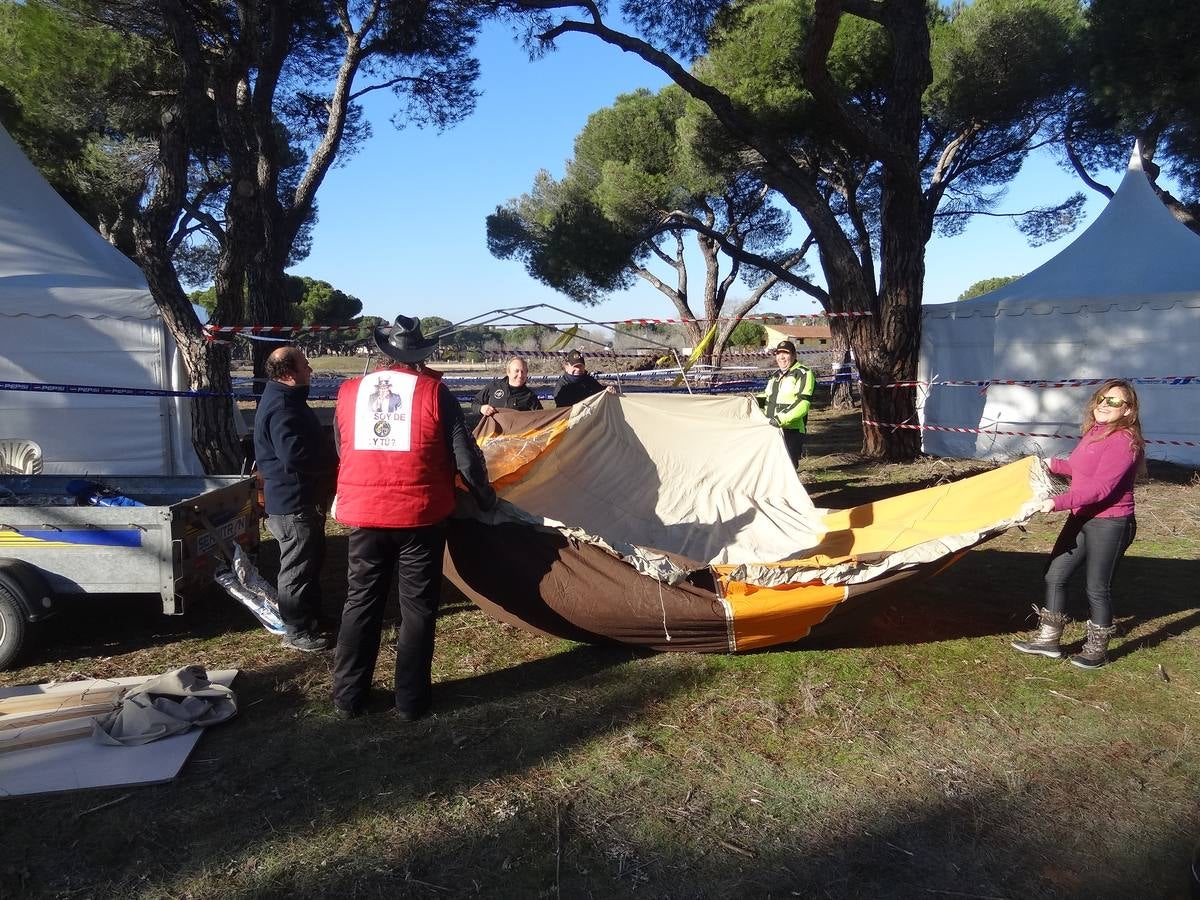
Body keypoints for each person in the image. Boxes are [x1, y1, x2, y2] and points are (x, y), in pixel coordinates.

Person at [330, 314, 496, 721]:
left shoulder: (349, 391)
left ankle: (348, 697)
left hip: (365, 515)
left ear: (388, 355)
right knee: (417, 609)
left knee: (360, 603)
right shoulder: (436, 393)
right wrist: (485, 497)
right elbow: (466, 458)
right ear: (421, 357)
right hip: (420, 517)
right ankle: (411, 701)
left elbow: (341, 446)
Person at [1011, 379, 1144, 669]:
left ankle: (1097, 649)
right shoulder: (1095, 433)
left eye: (1114, 401)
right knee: (1055, 574)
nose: (1104, 405)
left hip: (1110, 522)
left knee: (1097, 587)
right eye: (1102, 398)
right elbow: (1079, 469)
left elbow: (1102, 489)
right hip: (1082, 516)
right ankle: (1048, 640)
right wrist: (1050, 464)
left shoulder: (1123, 441)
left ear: (1128, 410)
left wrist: (1056, 502)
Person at [253, 346, 338, 652]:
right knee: (297, 566)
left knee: (311, 560)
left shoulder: (286, 400)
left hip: (300, 498)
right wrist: (330, 462)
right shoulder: (282, 407)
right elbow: (294, 455)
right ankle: (297, 629)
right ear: (289, 373)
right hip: (292, 501)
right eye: (305, 364)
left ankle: (312, 617)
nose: (310, 369)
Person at [757, 340, 816, 466]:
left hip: (791, 431)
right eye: (778, 353)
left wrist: (780, 419)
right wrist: (751, 401)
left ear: (794, 355)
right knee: (769, 467)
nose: (781, 357)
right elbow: (768, 397)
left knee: (787, 469)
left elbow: (803, 403)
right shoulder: (775, 376)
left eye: (785, 353)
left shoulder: (803, 373)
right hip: (771, 428)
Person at [473, 355, 542, 416]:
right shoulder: (494, 386)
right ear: (508, 372)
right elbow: (475, 404)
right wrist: (481, 409)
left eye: (523, 371)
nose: (520, 375)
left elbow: (540, 417)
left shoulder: (530, 396)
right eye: (517, 371)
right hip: (492, 430)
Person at [553, 349, 617, 407]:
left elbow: (601, 391)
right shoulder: (562, 385)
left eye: (581, 366)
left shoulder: (589, 380)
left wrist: (607, 389)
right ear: (566, 367)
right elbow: (561, 407)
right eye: (575, 366)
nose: (578, 369)